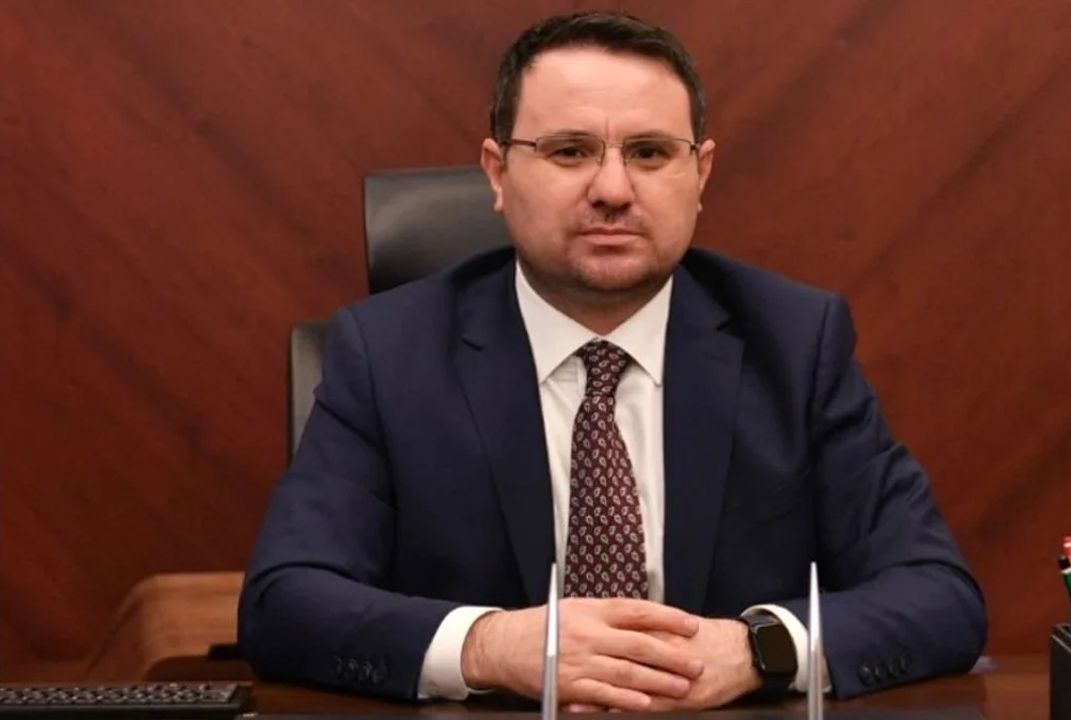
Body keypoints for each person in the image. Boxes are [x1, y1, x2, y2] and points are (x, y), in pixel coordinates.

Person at [238, 10, 986, 711]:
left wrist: (758, 648)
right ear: (497, 173)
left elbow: (938, 594)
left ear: (701, 174)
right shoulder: (388, 353)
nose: (613, 190)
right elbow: (285, 603)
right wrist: (489, 646)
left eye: (650, 153)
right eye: (570, 151)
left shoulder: (794, 343)